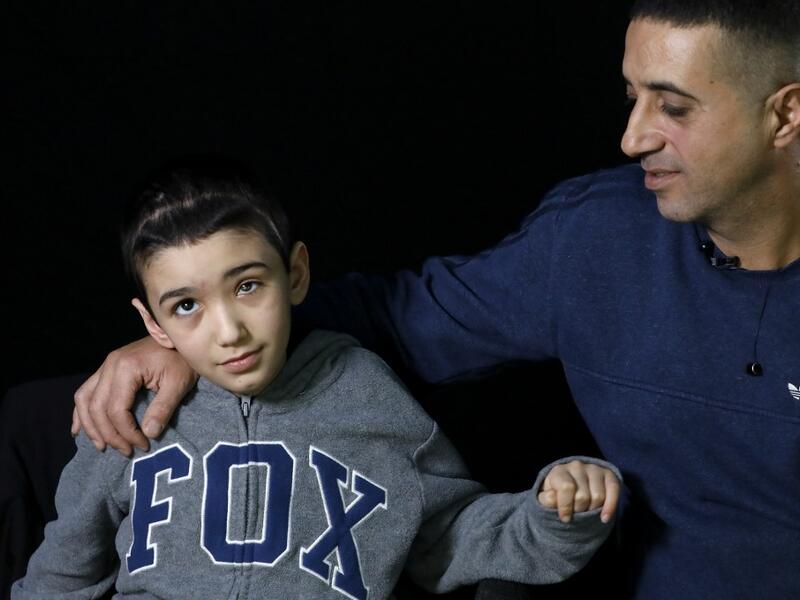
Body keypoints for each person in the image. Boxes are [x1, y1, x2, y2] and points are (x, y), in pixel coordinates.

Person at [72, 1, 800, 598]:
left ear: (786, 115)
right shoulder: (594, 236)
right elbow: (392, 314)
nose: (632, 136)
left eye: (672, 107)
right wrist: (174, 339)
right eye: (631, 96)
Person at [13, 166, 621, 599]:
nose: (229, 331)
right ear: (152, 322)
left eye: (247, 285)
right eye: (186, 306)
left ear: (296, 274)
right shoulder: (130, 413)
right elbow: (64, 571)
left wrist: (558, 508)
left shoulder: (369, 395)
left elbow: (451, 538)